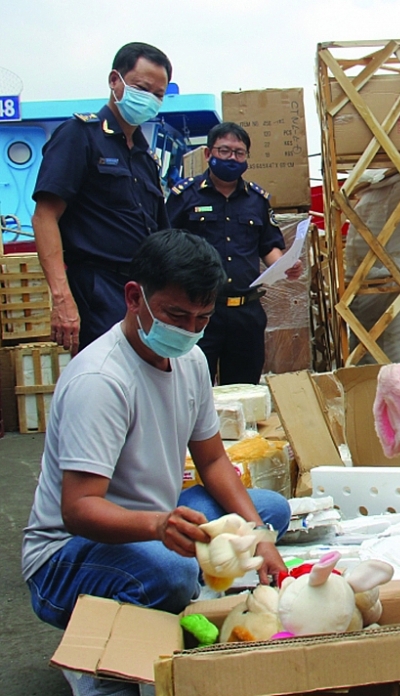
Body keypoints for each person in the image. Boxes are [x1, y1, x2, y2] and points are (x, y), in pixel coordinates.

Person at [22, 230, 290, 695]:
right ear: (134, 297)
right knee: (170, 572)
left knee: (269, 511)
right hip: (66, 557)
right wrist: (158, 526)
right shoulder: (101, 381)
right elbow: (79, 509)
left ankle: (167, 597)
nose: (188, 330)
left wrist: (258, 536)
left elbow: (213, 460)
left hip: (152, 523)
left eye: (202, 319)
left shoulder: (190, 361)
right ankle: (97, 649)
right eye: (175, 315)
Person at [33, 42, 173, 354]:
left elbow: (160, 233)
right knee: (106, 374)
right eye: (141, 88)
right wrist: (62, 298)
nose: (149, 99)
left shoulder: (145, 158)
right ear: (114, 80)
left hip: (143, 291)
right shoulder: (79, 135)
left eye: (158, 94)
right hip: (98, 288)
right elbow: (45, 217)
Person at [166, 122, 302, 385]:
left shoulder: (257, 200)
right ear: (208, 153)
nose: (232, 158)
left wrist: (285, 264)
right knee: (192, 387)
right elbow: (165, 244)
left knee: (244, 390)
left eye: (239, 153)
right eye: (224, 151)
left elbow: (268, 246)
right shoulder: (185, 196)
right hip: (198, 311)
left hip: (245, 313)